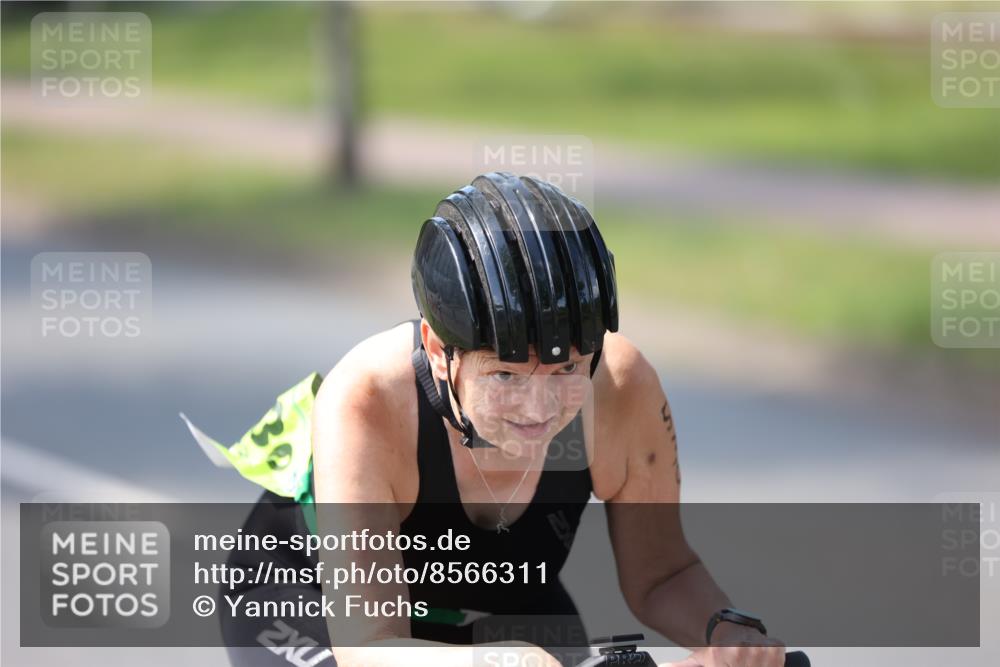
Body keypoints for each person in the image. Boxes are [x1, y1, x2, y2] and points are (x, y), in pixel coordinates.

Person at [210, 172, 787, 667]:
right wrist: (502, 659)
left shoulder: (621, 388)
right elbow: (369, 647)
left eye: (567, 371)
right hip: (313, 601)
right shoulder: (368, 399)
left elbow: (662, 573)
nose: (539, 411)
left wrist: (729, 633)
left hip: (499, 600)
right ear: (439, 351)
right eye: (505, 376)